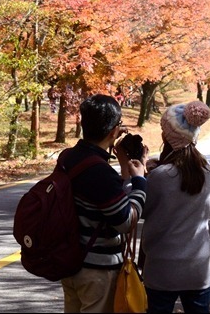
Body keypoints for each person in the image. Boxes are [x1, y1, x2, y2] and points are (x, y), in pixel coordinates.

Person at [60, 94, 147, 313]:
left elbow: (101, 199)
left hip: (71, 262)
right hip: (96, 271)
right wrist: (139, 181)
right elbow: (125, 221)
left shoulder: (68, 157)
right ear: (113, 131)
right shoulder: (100, 172)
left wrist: (123, 168)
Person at [141, 100, 210, 313]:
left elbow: (140, 209)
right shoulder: (205, 169)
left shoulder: (160, 176)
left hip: (163, 267)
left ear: (166, 136)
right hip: (198, 266)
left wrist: (134, 178)